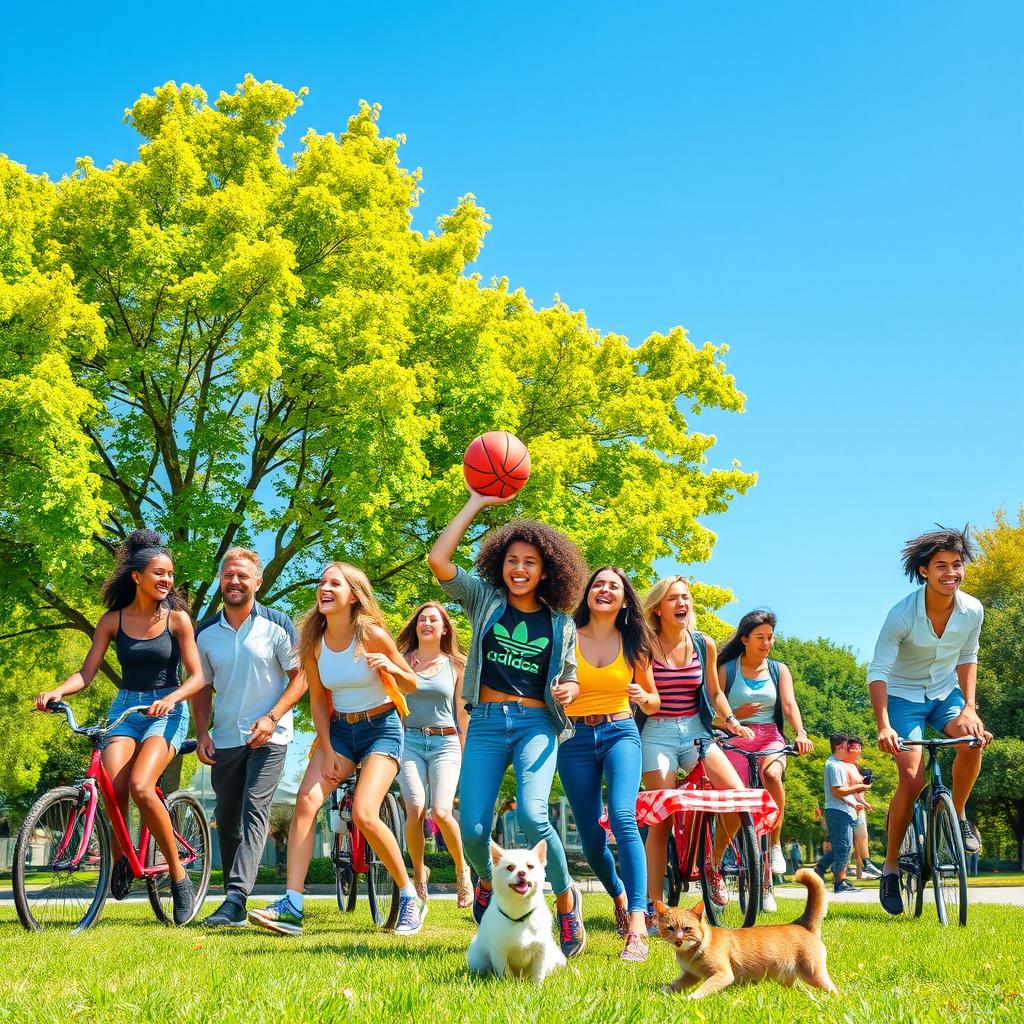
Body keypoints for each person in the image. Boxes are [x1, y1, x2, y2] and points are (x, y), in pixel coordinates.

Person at [428, 487, 589, 958]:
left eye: (530, 563)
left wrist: (569, 690)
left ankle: (564, 899)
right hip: (486, 722)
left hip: (537, 724)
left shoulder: (560, 624)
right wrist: (477, 503)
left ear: (547, 571)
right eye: (512, 560)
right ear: (500, 563)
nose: (519, 570)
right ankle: (486, 879)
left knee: (533, 813)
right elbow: (438, 560)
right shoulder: (484, 600)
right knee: (474, 830)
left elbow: (573, 679)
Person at [35, 530, 205, 925]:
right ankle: (122, 857)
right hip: (126, 707)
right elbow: (86, 672)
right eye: (159, 573)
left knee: (143, 787)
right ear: (137, 577)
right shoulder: (112, 621)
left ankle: (178, 877)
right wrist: (57, 691)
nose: (166, 581)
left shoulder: (177, 620)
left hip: (167, 709)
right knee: (113, 788)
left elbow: (197, 677)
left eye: (170, 575)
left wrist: (173, 698)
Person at [247, 563, 422, 937]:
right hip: (340, 731)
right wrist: (326, 750)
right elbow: (318, 705)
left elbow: (409, 685)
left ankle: (409, 896)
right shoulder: (312, 641)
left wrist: (391, 663)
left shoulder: (371, 634)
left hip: (382, 729)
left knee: (363, 812)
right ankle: (292, 906)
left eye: (334, 583)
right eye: (322, 582)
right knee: (306, 803)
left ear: (354, 595)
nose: (324, 588)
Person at [868, 526, 989, 915]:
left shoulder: (972, 610)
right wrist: (884, 725)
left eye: (957, 565)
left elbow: (968, 658)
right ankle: (889, 865)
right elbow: (878, 673)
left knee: (974, 740)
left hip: (944, 695)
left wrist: (969, 707)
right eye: (941, 566)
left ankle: (957, 815)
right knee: (912, 777)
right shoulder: (901, 614)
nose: (951, 573)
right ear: (924, 571)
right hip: (903, 698)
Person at [191, 548, 307, 928]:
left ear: (257, 582)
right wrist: (202, 731)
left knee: (254, 809)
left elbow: (300, 678)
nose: (235, 582)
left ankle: (236, 897)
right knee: (226, 818)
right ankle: (233, 902)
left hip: (270, 736)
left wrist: (272, 718)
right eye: (228, 575)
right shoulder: (204, 632)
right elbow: (201, 687)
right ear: (222, 579)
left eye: (243, 576)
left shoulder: (277, 624)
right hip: (225, 738)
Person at [557, 567, 661, 963]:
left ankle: (637, 923)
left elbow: (653, 701)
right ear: (587, 594)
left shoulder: (634, 643)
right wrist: (560, 691)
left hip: (620, 732)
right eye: (598, 584)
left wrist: (642, 696)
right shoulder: (566, 635)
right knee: (590, 839)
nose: (604, 590)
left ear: (624, 598)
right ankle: (618, 894)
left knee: (622, 817)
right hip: (574, 738)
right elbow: (550, 686)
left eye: (613, 586)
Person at [639, 576, 754, 924]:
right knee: (662, 817)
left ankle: (712, 863)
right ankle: (652, 906)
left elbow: (715, 693)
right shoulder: (644, 644)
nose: (682, 604)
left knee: (737, 797)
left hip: (696, 731)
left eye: (685, 598)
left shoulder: (704, 643)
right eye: (673, 598)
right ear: (658, 607)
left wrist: (731, 720)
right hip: (656, 733)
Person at [714, 609, 814, 910]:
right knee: (736, 801)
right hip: (735, 737)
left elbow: (788, 703)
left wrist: (800, 731)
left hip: (770, 736)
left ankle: (773, 846)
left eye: (770, 637)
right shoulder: (727, 669)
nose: (766, 643)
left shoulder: (778, 670)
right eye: (760, 637)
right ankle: (715, 864)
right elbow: (712, 713)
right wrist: (734, 718)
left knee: (771, 776)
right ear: (744, 639)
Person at [395, 601, 473, 913]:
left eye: (434, 619)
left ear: (444, 629)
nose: (427, 623)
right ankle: (418, 873)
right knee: (414, 808)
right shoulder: (401, 661)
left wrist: (468, 754)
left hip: (446, 742)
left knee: (441, 811)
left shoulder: (456, 665)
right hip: (409, 741)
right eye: (422, 619)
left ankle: (462, 870)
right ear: (416, 626)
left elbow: (462, 713)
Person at [813, 733, 864, 894]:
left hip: (842, 810)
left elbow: (840, 793)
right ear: (839, 747)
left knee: (842, 847)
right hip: (837, 812)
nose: (848, 750)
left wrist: (854, 803)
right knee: (844, 847)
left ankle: (820, 868)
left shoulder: (837, 764)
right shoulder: (834, 765)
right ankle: (839, 883)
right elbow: (837, 791)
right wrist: (861, 788)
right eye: (846, 747)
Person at [842, 737, 882, 880]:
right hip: (845, 807)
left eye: (859, 748)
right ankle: (832, 869)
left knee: (862, 836)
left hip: (858, 808)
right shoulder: (841, 767)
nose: (857, 750)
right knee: (845, 842)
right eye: (854, 747)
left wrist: (863, 801)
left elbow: (859, 791)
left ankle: (866, 864)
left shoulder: (859, 769)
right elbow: (847, 790)